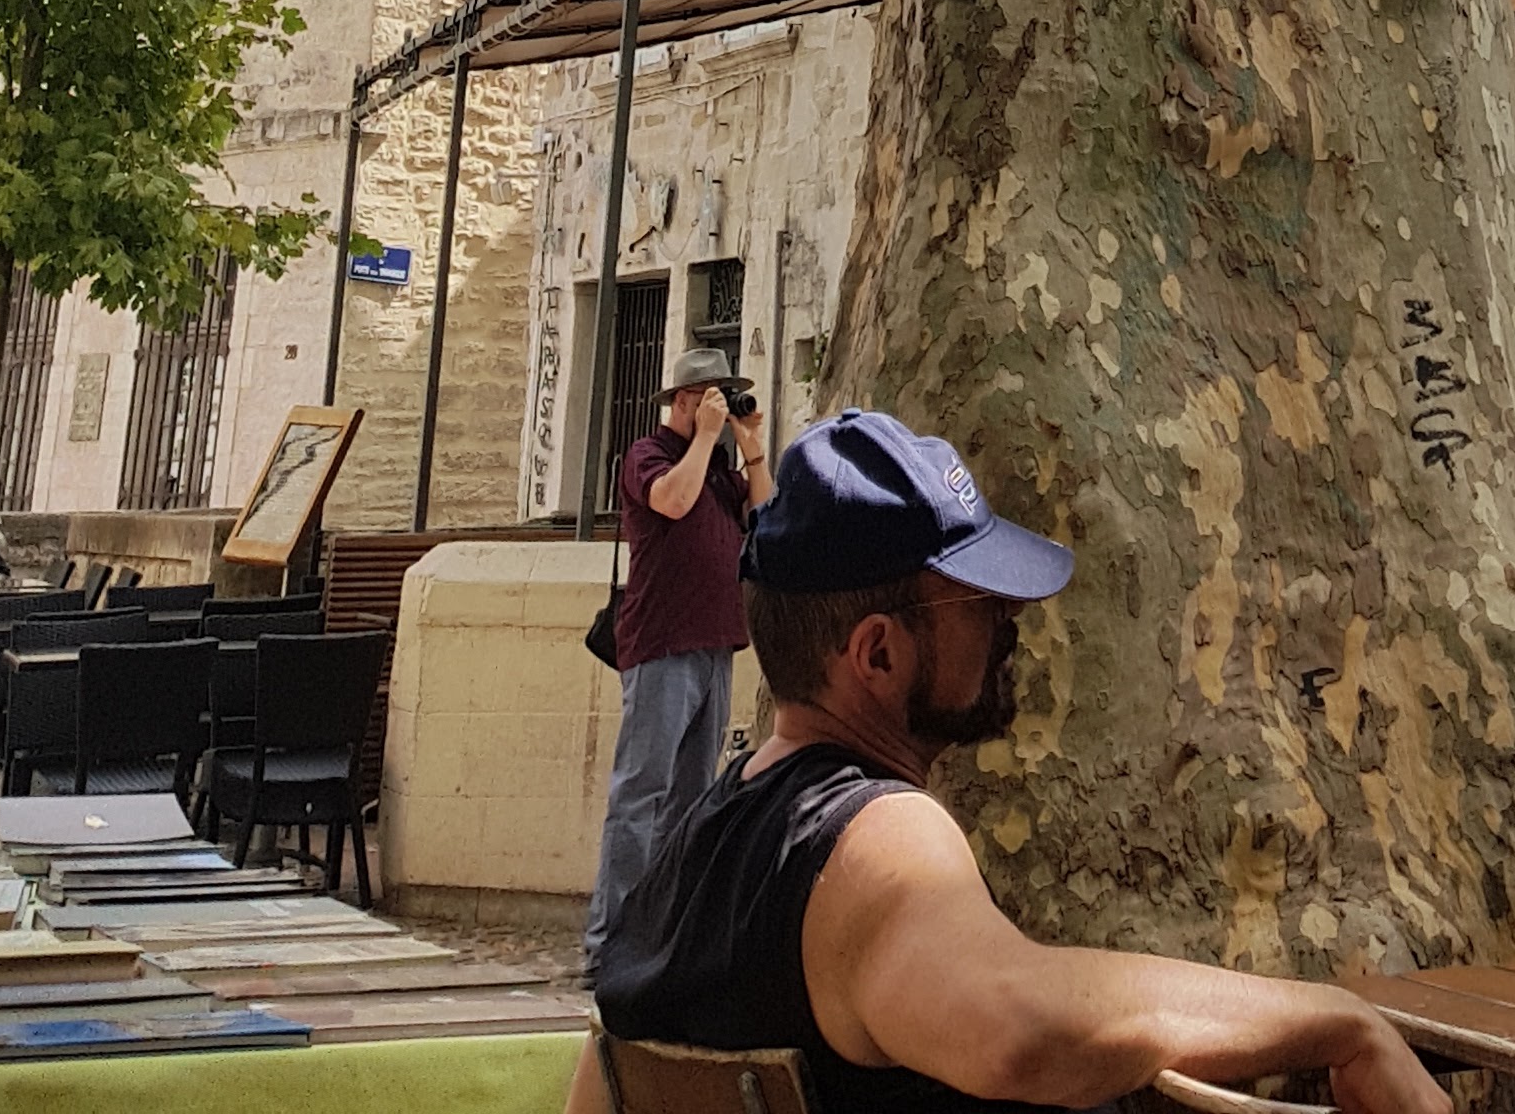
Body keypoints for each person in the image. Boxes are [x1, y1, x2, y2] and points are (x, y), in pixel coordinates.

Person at [576, 409, 1454, 1114]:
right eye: (979, 603)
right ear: (878, 654)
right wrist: (1341, 1021)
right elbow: (1020, 1028)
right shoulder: (876, 836)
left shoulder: (692, 852)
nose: (1014, 621)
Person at [582, 343, 777, 987]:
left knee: (692, 801)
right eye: (714, 397)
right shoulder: (649, 455)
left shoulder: (720, 469)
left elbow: (766, 519)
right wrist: (705, 439)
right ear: (687, 401)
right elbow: (671, 501)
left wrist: (750, 448)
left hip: (716, 646)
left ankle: (663, 939)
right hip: (662, 646)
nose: (722, 408)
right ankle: (608, 943)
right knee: (640, 794)